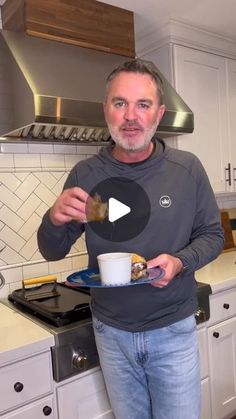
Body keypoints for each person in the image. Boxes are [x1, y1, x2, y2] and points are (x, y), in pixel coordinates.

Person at [37, 59, 224, 419]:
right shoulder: (87, 175)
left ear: (159, 112)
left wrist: (181, 261)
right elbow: (53, 249)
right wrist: (54, 218)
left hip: (172, 331)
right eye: (120, 103)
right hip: (111, 335)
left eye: (143, 104)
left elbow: (212, 235)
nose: (131, 116)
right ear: (106, 109)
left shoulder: (186, 171)